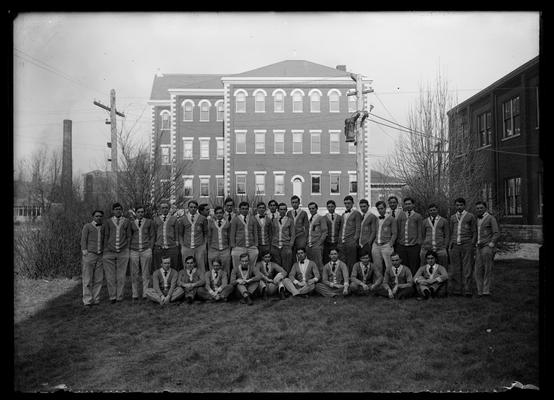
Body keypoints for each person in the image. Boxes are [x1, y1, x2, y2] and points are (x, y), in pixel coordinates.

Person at [103, 202, 131, 303]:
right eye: (116, 209)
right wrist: (109, 247)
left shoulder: (127, 221)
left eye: (119, 209)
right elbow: (105, 236)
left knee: (121, 275)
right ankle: (112, 297)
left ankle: (120, 296)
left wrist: (124, 246)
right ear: (112, 210)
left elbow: (129, 236)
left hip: (123, 250)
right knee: (110, 275)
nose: (118, 211)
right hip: (109, 251)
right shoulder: (108, 221)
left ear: (122, 210)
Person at [449, 197, 477, 297]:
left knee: (467, 267)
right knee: (456, 267)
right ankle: (457, 289)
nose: (459, 207)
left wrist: (472, 244)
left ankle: (467, 289)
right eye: (457, 205)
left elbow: (474, 232)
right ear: (455, 206)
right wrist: (451, 244)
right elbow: (451, 231)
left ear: (464, 205)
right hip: (455, 245)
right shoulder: (452, 217)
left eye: (461, 205)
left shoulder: (470, 216)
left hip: (467, 244)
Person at [129, 205, 155, 301]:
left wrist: (150, 248)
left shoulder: (149, 222)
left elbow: (152, 236)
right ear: (135, 213)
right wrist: (129, 248)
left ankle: (145, 293)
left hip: (146, 249)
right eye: (138, 212)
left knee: (146, 273)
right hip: (134, 250)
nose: (140, 213)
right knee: (134, 272)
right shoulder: (131, 223)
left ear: (144, 213)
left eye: (142, 212)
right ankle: (135, 294)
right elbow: (129, 236)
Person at [474, 201, 499, 297]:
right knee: (478, 269)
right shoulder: (476, 219)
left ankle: (486, 290)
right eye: (478, 208)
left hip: (487, 247)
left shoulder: (491, 218)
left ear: (485, 208)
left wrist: (492, 243)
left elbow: (496, 233)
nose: (479, 209)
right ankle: (479, 291)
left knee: (487, 268)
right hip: (478, 246)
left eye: (481, 208)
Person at [80, 209, 105, 306]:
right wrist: (84, 251)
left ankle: (96, 299)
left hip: (100, 255)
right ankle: (87, 300)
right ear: (93, 217)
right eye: (97, 216)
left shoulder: (103, 227)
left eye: (100, 216)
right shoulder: (87, 226)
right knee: (87, 279)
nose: (98, 218)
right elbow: (83, 239)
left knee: (99, 279)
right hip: (90, 255)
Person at [179, 200, 208, 275]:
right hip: (187, 246)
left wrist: (204, 245)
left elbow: (206, 233)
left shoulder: (202, 218)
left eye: (195, 207)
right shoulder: (183, 219)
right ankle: (187, 282)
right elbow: (180, 234)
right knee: (187, 266)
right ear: (188, 208)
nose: (193, 209)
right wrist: (182, 245)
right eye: (191, 207)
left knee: (201, 266)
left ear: (197, 208)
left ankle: (201, 282)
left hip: (199, 246)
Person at [395, 197, 423, 276]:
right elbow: (398, 229)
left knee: (414, 265)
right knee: (403, 266)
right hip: (402, 245)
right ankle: (405, 283)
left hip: (413, 246)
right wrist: (398, 241)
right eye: (406, 204)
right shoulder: (401, 215)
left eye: (409, 204)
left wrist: (419, 243)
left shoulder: (418, 216)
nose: (408, 205)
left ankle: (414, 283)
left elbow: (420, 231)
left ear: (413, 205)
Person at [230, 201, 259, 272]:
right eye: (243, 208)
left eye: (246, 209)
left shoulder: (252, 218)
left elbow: (255, 232)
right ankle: (237, 277)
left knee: (253, 258)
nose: (244, 210)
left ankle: (249, 276)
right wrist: (233, 245)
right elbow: (232, 233)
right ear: (239, 209)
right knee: (237, 264)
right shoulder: (235, 219)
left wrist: (256, 244)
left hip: (251, 246)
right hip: (239, 246)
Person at [152, 202, 180, 276]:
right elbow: (154, 232)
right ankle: (160, 283)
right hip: (159, 246)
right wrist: (155, 243)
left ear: (169, 209)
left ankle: (173, 283)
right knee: (158, 266)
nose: (164, 209)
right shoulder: (156, 219)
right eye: (163, 208)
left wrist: (177, 242)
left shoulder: (174, 219)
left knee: (173, 265)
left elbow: (177, 232)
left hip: (171, 246)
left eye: (166, 208)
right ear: (160, 209)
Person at [420, 203, 450, 268]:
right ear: (428, 211)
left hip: (440, 248)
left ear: (437, 210)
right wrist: (423, 244)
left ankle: (443, 277)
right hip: (427, 247)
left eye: (434, 210)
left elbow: (447, 235)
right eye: (431, 210)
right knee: (425, 265)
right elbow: (422, 234)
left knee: (443, 265)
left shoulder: (444, 221)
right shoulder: (425, 221)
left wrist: (445, 245)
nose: (432, 211)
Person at [371, 201, 397, 276]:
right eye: (378, 209)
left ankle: (390, 282)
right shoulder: (376, 219)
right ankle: (379, 283)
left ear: (385, 208)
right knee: (377, 266)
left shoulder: (391, 219)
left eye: (381, 208)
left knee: (389, 266)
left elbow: (394, 233)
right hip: (376, 245)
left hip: (386, 245)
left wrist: (391, 244)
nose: (380, 210)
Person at [338, 195, 362, 273]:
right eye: (345, 203)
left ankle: (352, 278)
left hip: (351, 241)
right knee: (342, 261)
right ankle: (344, 278)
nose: (347, 205)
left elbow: (358, 228)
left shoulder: (356, 213)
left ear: (352, 203)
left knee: (351, 261)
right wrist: (339, 241)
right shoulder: (343, 215)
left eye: (348, 203)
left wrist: (354, 240)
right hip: (342, 241)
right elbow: (341, 228)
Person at [270, 202, 295, 273]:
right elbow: (272, 233)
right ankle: (278, 280)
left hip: (286, 245)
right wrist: (272, 244)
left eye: (284, 209)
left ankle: (286, 278)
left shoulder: (290, 220)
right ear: (278, 210)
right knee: (277, 264)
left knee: (287, 264)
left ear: (286, 210)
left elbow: (293, 234)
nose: (282, 211)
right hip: (275, 245)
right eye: (281, 209)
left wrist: (291, 244)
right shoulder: (274, 220)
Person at [207, 206, 232, 276]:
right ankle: (213, 283)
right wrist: (209, 249)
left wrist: (229, 248)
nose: (219, 214)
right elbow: (209, 237)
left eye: (220, 213)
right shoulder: (211, 224)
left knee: (226, 268)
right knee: (213, 267)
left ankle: (226, 283)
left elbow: (230, 237)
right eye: (217, 213)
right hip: (213, 249)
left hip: (225, 249)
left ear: (223, 213)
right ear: (215, 214)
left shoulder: (228, 223)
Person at [306, 202, 327, 275]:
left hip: (317, 245)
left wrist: (320, 242)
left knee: (319, 263)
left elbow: (324, 232)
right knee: (311, 264)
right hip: (309, 245)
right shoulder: (310, 220)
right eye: (310, 209)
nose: (311, 210)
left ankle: (322, 279)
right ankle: (314, 278)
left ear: (317, 209)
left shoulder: (321, 218)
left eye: (313, 208)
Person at [323, 200, 343, 265]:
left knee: (337, 258)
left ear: (335, 207)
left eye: (332, 206)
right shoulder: (324, 218)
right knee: (327, 259)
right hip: (327, 242)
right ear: (327, 207)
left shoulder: (340, 217)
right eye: (329, 207)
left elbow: (341, 229)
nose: (330, 208)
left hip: (336, 241)